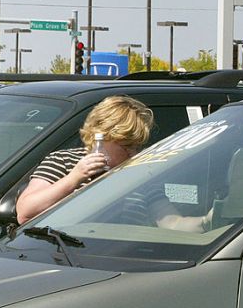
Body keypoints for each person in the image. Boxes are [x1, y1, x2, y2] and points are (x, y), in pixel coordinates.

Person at [16, 95, 153, 224]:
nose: (133, 153)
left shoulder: (138, 174)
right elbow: (25, 212)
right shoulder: (64, 161)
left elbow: (167, 219)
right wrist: (73, 179)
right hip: (68, 246)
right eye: (126, 146)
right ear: (101, 136)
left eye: (137, 146)